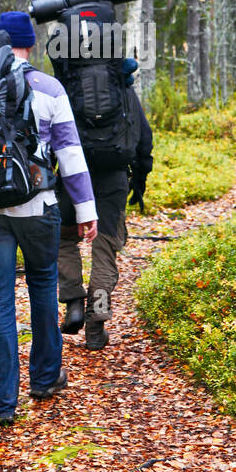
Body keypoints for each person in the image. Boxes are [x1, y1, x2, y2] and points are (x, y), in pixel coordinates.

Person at [0, 10, 97, 426]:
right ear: (30, 44)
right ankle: (44, 379)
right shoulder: (48, 87)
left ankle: (3, 402)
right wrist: (86, 209)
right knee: (42, 287)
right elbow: (70, 154)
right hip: (38, 205)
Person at [57, 58, 153, 351]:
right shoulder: (123, 87)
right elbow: (142, 136)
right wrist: (140, 178)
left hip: (73, 175)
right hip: (112, 178)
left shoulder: (69, 86)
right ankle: (96, 322)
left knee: (64, 240)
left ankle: (73, 301)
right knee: (104, 248)